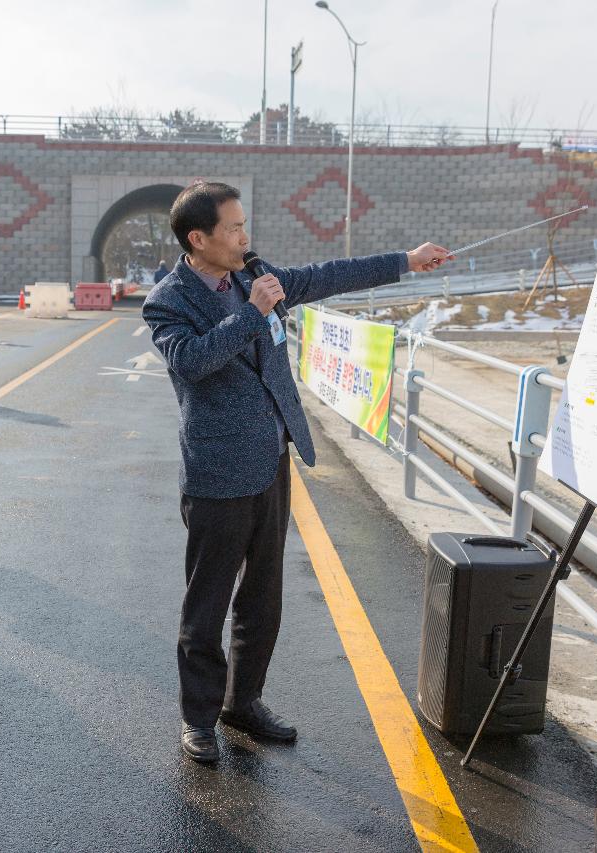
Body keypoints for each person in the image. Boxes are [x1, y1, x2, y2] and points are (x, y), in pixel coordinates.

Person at [142, 181, 451, 765]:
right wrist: (253, 315)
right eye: (233, 229)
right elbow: (193, 362)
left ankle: (243, 702)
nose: (244, 236)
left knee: (263, 596)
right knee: (207, 604)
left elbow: (325, 274)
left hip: (271, 460)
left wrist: (406, 262)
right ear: (198, 238)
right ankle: (199, 718)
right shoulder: (168, 300)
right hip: (217, 473)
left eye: (243, 225)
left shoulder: (251, 276)